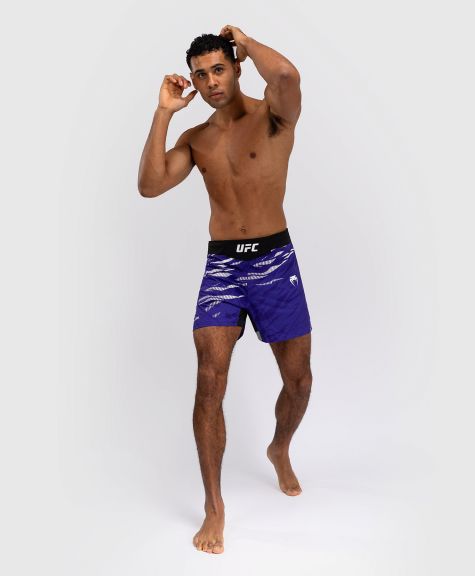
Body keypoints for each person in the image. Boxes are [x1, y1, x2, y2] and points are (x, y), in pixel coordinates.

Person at [138, 25, 313, 555]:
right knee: (209, 382)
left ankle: (279, 448)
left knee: (299, 382)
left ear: (236, 68)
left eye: (219, 69)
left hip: (275, 261)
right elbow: (149, 185)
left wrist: (246, 41)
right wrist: (164, 113)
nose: (211, 81)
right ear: (192, 81)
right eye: (201, 75)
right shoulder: (197, 139)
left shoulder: (274, 115)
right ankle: (214, 506)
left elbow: (287, 75)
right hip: (224, 270)